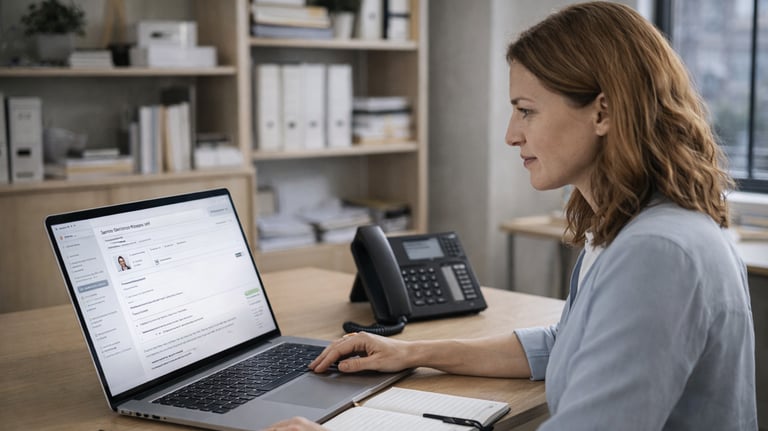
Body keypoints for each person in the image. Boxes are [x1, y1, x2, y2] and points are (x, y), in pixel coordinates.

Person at [263, 2, 757, 430]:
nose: (510, 135)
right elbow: (565, 343)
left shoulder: (657, 254)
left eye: (526, 110)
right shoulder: (627, 226)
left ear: (603, 113)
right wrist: (411, 353)